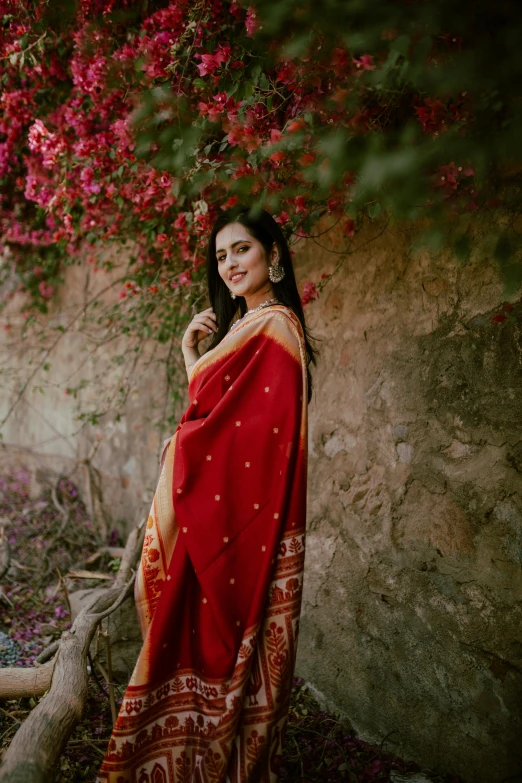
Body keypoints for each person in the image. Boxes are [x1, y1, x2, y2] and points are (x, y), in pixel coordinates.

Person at [97, 204, 318, 783]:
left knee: (216, 639)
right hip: (214, 520)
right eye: (220, 256)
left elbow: (240, 437)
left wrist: (194, 380)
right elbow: (217, 416)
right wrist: (193, 360)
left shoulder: (275, 328)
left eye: (240, 249)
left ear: (273, 253)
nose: (228, 265)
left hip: (240, 527)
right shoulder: (247, 329)